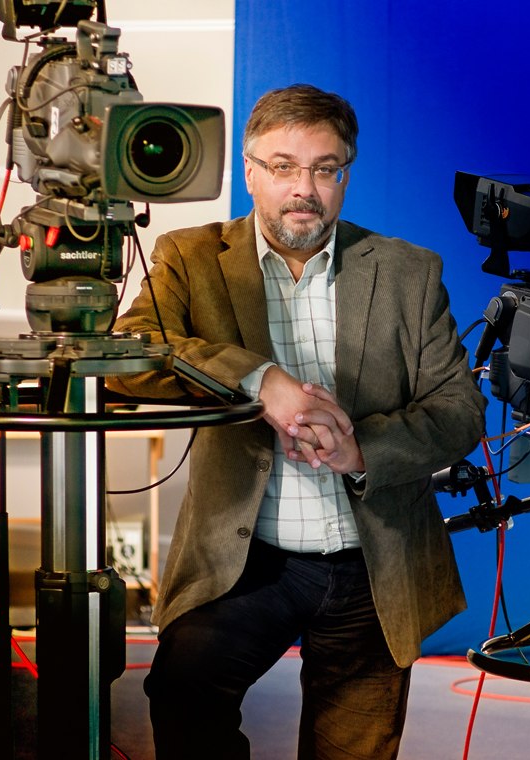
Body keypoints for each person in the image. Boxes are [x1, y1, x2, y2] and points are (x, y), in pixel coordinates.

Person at [109, 83, 487, 759]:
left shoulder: (408, 271)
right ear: (250, 171)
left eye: (325, 168)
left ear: (346, 175)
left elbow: (459, 411)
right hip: (247, 562)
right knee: (185, 694)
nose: (303, 189)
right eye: (283, 166)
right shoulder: (190, 258)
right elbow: (128, 356)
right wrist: (259, 380)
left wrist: (360, 451)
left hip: (375, 565)